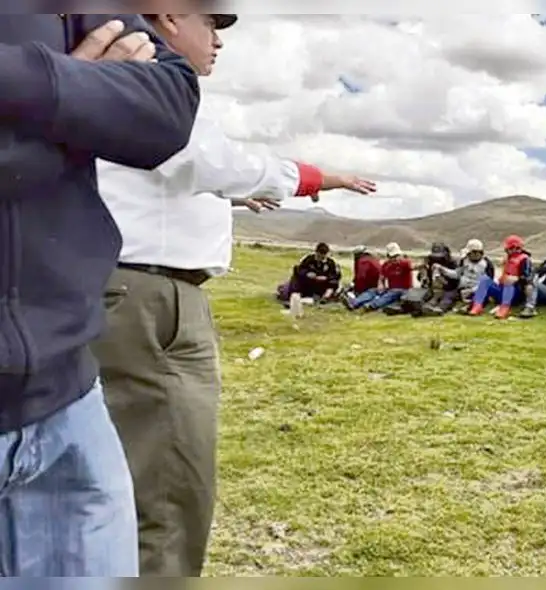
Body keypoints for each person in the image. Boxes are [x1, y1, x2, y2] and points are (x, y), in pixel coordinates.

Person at [91, 13, 375, 577]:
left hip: (130, 291)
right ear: (169, 16)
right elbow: (212, 160)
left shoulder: (118, 74)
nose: (219, 39)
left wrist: (234, 198)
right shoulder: (149, 78)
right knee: (170, 489)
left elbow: (161, 177)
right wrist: (316, 177)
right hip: (152, 298)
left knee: (132, 474)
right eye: (210, 21)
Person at [0, 14, 200, 577]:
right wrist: (69, 105)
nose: (219, 39)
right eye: (210, 23)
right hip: (135, 292)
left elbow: (170, 105)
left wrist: (31, 96)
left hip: (68, 404)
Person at [468, 235, 533, 319]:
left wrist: (517, 278)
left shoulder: (525, 259)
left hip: (516, 292)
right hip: (501, 290)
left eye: (508, 248)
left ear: (515, 248)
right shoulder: (507, 258)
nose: (506, 250)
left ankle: (504, 308)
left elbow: (529, 278)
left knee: (508, 282)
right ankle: (477, 305)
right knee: (484, 279)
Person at [349, 243, 413, 311]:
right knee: (373, 290)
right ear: (388, 256)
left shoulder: (406, 263)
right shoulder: (386, 265)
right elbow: (381, 277)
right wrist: (380, 285)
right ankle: (354, 303)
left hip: (405, 290)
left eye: (396, 256)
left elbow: (414, 267)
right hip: (391, 289)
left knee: (391, 294)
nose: (395, 259)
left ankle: (371, 305)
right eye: (393, 257)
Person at [441, 239, 495, 308]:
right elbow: (457, 274)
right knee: (449, 294)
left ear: (477, 253)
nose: (468, 255)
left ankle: (470, 307)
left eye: (470, 253)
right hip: (462, 289)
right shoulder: (464, 260)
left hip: (476, 290)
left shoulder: (487, 264)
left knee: (479, 297)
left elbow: (488, 283)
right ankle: (441, 307)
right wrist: (443, 270)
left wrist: (471, 291)